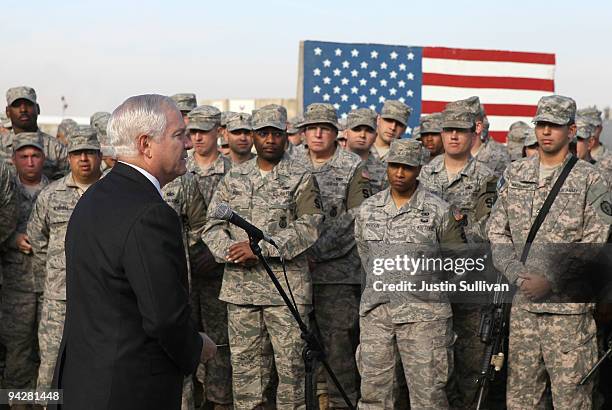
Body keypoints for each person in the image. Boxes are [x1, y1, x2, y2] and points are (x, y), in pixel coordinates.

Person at [50, 95, 215, 410]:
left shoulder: (95, 196)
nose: (190, 145)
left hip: (85, 382)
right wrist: (196, 347)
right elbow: (164, 318)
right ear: (146, 144)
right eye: (179, 135)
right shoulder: (149, 214)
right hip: (128, 389)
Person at [487, 95, 612, 409]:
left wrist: (551, 281)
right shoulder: (515, 174)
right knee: (522, 399)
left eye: (554, 126)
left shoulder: (591, 179)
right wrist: (517, 274)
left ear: (571, 131)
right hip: (524, 308)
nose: (545, 132)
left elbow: (594, 245)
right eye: (541, 124)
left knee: (572, 399)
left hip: (568, 314)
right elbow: (496, 232)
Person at [203, 104, 323, 409]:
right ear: (254, 137)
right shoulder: (234, 178)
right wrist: (232, 251)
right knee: (246, 372)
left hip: (286, 291)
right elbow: (213, 225)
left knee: (291, 372)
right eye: (263, 133)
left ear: (286, 137)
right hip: (241, 291)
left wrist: (260, 249)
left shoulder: (302, 177)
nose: (269, 139)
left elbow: (310, 225)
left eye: (276, 134)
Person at [355, 139, 464, 409]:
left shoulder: (439, 211)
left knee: (429, 397)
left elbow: (459, 263)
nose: (399, 173)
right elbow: (366, 256)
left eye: (407, 167)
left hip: (426, 318)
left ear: (419, 169)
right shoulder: (369, 210)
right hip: (377, 315)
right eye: (394, 166)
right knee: (373, 396)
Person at [418, 99, 497, 409]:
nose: (453, 137)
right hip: (430, 284)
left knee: (470, 366)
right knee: (432, 368)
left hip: (470, 284)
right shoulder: (423, 174)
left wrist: (451, 226)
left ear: (473, 133)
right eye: (448, 130)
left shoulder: (487, 177)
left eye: (460, 131)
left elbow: (487, 229)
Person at [293, 103, 371, 408]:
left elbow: (355, 216)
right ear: (304, 132)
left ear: (335, 132)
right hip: (296, 270)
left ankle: (342, 401)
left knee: (337, 343)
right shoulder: (291, 163)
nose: (318, 133)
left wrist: (316, 252)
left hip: (337, 273)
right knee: (297, 345)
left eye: (324, 128)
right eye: (312, 128)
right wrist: (299, 251)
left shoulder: (352, 166)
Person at [26, 126, 104, 399]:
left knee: (100, 363)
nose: (84, 159)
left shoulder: (113, 193)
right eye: (77, 153)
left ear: (101, 155)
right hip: (59, 298)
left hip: (103, 296)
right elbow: (38, 241)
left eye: (90, 153)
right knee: (50, 363)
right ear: (68, 157)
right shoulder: (50, 195)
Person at [185, 105, 235, 410]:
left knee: (219, 340)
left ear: (219, 132)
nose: (199, 137)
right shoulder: (179, 167)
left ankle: (218, 399)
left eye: (205, 131)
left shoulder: (234, 172)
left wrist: (217, 256)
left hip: (221, 269)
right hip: (185, 268)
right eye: (194, 132)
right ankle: (190, 395)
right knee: (184, 335)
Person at [0, 133, 47, 398]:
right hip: (15, 285)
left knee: (48, 349)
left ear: (43, 158)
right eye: (23, 156)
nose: (30, 162)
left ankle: (46, 401)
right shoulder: (6, 190)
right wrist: (11, 238)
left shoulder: (57, 191)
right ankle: (17, 403)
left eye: (35, 156)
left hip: (52, 286)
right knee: (17, 349)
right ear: (13, 160)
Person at [2, 86, 68, 179]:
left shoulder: (57, 148)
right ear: (8, 112)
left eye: (28, 104)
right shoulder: (1, 145)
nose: (23, 110)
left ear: (38, 108)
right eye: (17, 105)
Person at [345, 108, 388, 195]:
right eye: (357, 129)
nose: (362, 135)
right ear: (345, 133)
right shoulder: (326, 166)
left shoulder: (385, 172)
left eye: (369, 131)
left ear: (375, 136)